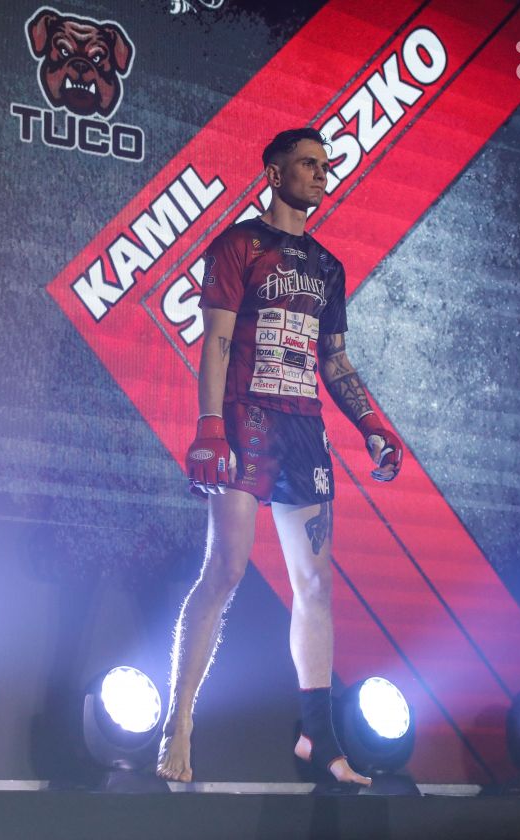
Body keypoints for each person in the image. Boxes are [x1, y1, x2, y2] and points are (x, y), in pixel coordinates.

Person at [156, 128, 402, 785]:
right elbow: (215, 340)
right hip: (245, 420)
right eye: (308, 164)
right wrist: (210, 425)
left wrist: (372, 425)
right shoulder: (239, 245)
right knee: (226, 570)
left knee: (316, 585)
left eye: (326, 166)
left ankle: (318, 737)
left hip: (303, 429)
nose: (322, 175)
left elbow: (334, 361)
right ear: (273, 173)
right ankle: (179, 721)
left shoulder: (328, 267)